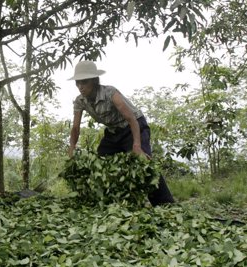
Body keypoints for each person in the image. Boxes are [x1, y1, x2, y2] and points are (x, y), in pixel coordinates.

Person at [68, 60, 175, 206]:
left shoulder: (110, 93)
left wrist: (137, 145)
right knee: (101, 161)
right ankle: (117, 201)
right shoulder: (80, 101)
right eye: (78, 83)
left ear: (94, 81)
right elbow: (75, 127)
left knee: (142, 163)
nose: (80, 87)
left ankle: (166, 205)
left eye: (84, 82)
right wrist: (72, 146)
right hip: (113, 131)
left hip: (133, 126)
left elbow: (131, 118)